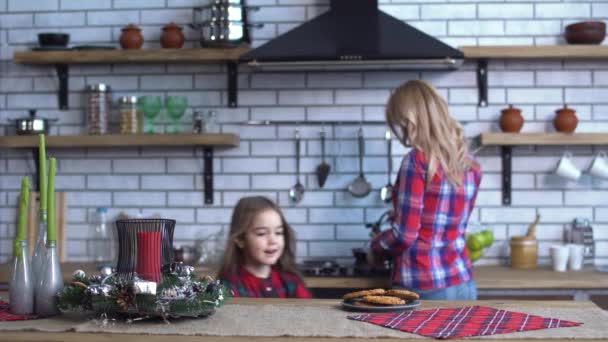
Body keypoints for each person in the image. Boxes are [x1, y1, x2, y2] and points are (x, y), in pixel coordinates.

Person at [368, 80, 482, 300]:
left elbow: (405, 236)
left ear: (409, 120)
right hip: (463, 281)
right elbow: (448, 224)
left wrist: (376, 247)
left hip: (425, 282)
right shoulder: (470, 164)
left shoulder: (417, 161)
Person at [217, 196, 311, 298]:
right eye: (261, 233)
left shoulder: (291, 281)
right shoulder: (228, 286)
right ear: (240, 239)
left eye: (278, 233)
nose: (273, 241)